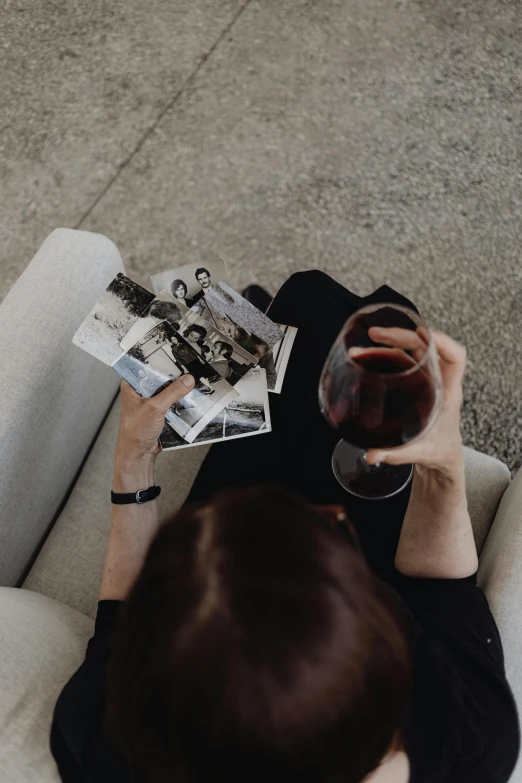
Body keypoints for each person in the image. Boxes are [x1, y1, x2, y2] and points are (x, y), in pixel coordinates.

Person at [50, 271, 519, 783]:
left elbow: (117, 628)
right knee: (358, 319)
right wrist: (443, 467)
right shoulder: (469, 737)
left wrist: (133, 462)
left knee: (301, 310)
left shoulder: (104, 740)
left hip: (240, 558)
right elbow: (443, 591)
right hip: (375, 558)